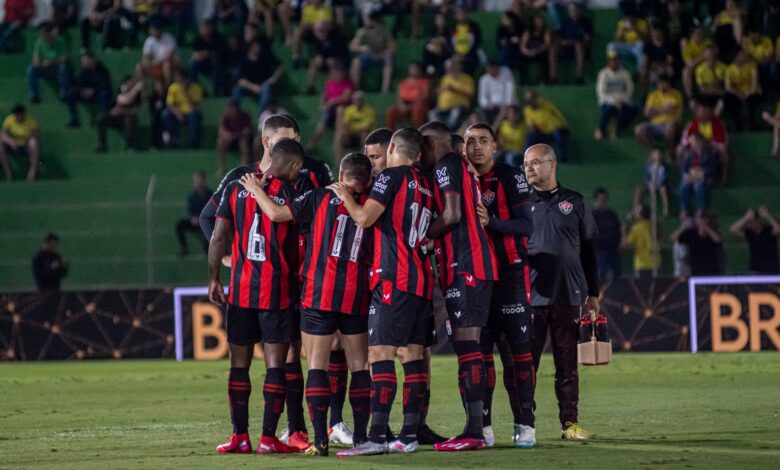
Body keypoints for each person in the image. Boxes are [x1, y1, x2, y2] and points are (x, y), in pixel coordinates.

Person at [240, 153, 374, 456]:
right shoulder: (372, 203)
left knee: (317, 365)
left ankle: (320, 440)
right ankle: (363, 437)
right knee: (358, 366)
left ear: (340, 172)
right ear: (367, 179)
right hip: (356, 294)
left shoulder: (317, 197)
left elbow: (275, 215)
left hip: (319, 294)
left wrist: (256, 190)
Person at [331, 128, 435, 456]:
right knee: (414, 356)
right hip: (420, 279)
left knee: (380, 354)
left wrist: (343, 195)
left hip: (394, 276)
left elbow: (363, 218)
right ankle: (409, 434)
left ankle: (376, 436)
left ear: (392, 148)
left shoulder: (391, 177)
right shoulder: (426, 185)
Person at [209, 138, 304, 455]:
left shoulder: (236, 188)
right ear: (291, 164)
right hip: (276, 291)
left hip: (240, 290)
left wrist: (213, 278)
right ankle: (268, 438)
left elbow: (219, 236)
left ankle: (240, 437)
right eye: (298, 167)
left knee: (239, 364)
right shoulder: (292, 191)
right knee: (276, 363)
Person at [420, 121, 498, 452]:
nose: (421, 152)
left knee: (468, 348)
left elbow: (451, 215)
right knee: (469, 349)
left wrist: (424, 237)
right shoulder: (458, 166)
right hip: (467, 265)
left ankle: (475, 432)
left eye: (424, 145)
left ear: (434, 145)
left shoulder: (447, 164)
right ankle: (474, 429)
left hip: (467, 265)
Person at [465, 123, 537, 448]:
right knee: (480, 356)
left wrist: (489, 222)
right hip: (476, 280)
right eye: (470, 141)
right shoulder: (460, 181)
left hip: (510, 274)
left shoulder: (510, 177)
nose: (476, 147)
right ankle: (484, 427)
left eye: (483, 141)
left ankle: (526, 424)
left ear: (494, 146)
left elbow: (526, 225)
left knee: (519, 354)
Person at [525, 143, 598, 441]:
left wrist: (593, 293)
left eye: (535, 162)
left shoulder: (575, 202)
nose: (529, 168)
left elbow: (589, 250)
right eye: (526, 163)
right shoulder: (519, 203)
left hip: (568, 296)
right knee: (525, 366)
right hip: (530, 298)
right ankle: (524, 426)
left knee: (567, 365)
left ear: (552, 165)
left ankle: (570, 425)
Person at [307, 63, 355, 153]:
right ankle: (311, 145)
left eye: (340, 71)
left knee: (340, 110)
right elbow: (324, 95)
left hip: (345, 110)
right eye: (336, 71)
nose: (339, 74)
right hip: (331, 109)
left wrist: (331, 102)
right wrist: (322, 104)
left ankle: (339, 137)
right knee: (321, 126)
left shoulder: (348, 83)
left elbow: (346, 97)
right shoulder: (329, 83)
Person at [231, 39, 284, 115]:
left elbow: (280, 67)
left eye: (257, 46)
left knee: (266, 86)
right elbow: (240, 81)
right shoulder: (243, 61)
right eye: (254, 47)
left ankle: (262, 115)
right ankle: (235, 113)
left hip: (263, 86)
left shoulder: (264, 58)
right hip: (249, 88)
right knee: (236, 89)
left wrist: (273, 79)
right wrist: (253, 87)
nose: (257, 48)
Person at [595, 52, 636, 141]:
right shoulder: (603, 74)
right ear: (608, 62)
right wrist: (613, 102)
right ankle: (600, 129)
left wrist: (621, 100)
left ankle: (615, 129)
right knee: (608, 109)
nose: (614, 62)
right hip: (608, 100)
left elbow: (630, 89)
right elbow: (601, 92)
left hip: (622, 100)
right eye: (612, 60)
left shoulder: (625, 73)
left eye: (616, 60)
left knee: (632, 109)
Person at [635, 74, 683, 151]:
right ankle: (651, 152)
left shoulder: (676, 94)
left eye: (664, 83)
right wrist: (664, 109)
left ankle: (671, 153)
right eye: (660, 83)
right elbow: (647, 113)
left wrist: (655, 110)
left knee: (670, 127)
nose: (661, 85)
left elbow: (671, 110)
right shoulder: (653, 95)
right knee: (638, 129)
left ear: (669, 84)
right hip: (655, 123)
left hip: (670, 123)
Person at [349, 12, 395, 93]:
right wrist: (362, 48)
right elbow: (352, 46)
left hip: (382, 56)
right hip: (368, 56)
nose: (365, 22)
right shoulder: (362, 31)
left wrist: (382, 53)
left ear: (372, 20)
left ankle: (385, 89)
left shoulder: (384, 31)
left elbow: (392, 47)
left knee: (388, 60)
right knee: (355, 62)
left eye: (366, 20)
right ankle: (355, 89)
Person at [97, 75, 143, 152]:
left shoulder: (137, 96)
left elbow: (134, 111)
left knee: (129, 121)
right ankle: (102, 145)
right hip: (116, 118)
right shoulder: (119, 91)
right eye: (127, 83)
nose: (129, 85)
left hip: (128, 118)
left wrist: (122, 111)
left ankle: (130, 146)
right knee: (101, 119)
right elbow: (122, 100)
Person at [27, 22, 70, 104]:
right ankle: (34, 94)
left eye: (45, 34)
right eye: (42, 34)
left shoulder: (60, 41)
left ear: (50, 33)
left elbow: (64, 58)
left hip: (56, 68)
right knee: (31, 69)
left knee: (63, 68)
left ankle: (64, 93)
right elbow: (35, 61)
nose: (43, 36)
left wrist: (52, 62)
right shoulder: (38, 43)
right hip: (44, 68)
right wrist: (43, 63)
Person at [66, 50, 112, 128]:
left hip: (97, 94)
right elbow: (78, 84)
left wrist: (93, 91)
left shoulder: (102, 70)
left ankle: (104, 118)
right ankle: (74, 119)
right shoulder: (83, 71)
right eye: (83, 61)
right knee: (71, 93)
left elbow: (105, 85)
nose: (84, 62)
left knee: (104, 94)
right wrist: (83, 91)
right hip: (85, 94)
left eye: (86, 60)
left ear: (92, 59)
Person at [729, 206, 780, 274]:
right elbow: (733, 230)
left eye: (753, 221)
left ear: (759, 221)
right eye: (750, 222)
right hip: (755, 270)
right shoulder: (749, 233)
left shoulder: (769, 229)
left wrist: (767, 216)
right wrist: (746, 218)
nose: (750, 224)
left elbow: (778, 230)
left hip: (772, 269)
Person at [428, 57, 475, 131]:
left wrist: (454, 90)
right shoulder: (445, 78)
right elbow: (440, 92)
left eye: (451, 67)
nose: (448, 69)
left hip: (460, 107)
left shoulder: (466, 78)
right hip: (443, 107)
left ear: (458, 66)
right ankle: (439, 131)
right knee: (432, 113)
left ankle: (448, 132)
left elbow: (470, 95)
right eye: (447, 67)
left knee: (455, 113)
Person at [523, 90, 569, 162]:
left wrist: (562, 125)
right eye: (528, 100)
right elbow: (530, 126)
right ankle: (528, 159)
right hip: (542, 133)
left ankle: (564, 158)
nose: (531, 101)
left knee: (559, 134)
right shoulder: (527, 110)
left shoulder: (546, 104)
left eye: (532, 98)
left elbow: (559, 116)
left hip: (555, 131)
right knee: (531, 136)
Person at [305, 20, 349, 94]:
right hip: (327, 61)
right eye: (316, 32)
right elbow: (321, 53)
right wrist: (319, 57)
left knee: (331, 62)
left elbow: (340, 52)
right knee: (314, 62)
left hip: (341, 60)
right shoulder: (318, 41)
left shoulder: (335, 37)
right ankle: (311, 86)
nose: (317, 34)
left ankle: (331, 88)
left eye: (319, 31)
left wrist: (333, 59)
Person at [679, 133, 718, 217]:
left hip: (705, 178)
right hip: (691, 177)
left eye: (692, 141)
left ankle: (701, 209)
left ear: (699, 142)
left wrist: (700, 174)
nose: (691, 143)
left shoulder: (710, 153)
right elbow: (683, 169)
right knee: (683, 185)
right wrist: (687, 176)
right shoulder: (688, 154)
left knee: (698, 186)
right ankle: (684, 209)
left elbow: (712, 169)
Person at [176, 171, 212, 256]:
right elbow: (190, 209)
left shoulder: (210, 194)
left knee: (210, 226)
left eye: (200, 180)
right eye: (197, 180)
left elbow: (211, 210)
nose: (199, 183)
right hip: (195, 221)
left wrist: (201, 218)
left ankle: (207, 250)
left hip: (206, 221)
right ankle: (184, 248)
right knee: (179, 224)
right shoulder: (191, 195)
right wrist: (192, 217)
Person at [162, 73, 203, 149]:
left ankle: (194, 142)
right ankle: (174, 140)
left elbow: (196, 106)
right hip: (177, 113)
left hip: (191, 113)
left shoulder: (196, 88)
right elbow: (170, 105)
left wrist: (185, 93)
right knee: (165, 114)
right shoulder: (173, 88)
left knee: (193, 115)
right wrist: (177, 113)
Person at [386, 62, 430, 130]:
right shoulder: (403, 82)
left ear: (420, 70)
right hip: (404, 105)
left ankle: (418, 133)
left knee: (418, 109)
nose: (413, 70)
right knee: (391, 111)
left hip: (418, 105)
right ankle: (392, 134)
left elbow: (425, 97)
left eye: (415, 69)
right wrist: (402, 106)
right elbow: (399, 97)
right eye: (412, 69)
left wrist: (410, 106)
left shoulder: (425, 82)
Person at [0, 104, 40, 181]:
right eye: (16, 114)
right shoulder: (9, 120)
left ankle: (32, 171)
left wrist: (26, 140)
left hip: (26, 146)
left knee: (33, 142)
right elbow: (2, 135)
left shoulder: (31, 122)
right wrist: (10, 141)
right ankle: (8, 172)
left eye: (20, 114)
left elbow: (36, 137)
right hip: (12, 146)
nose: (18, 116)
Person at [724, 48, 760, 131]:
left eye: (744, 55)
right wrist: (739, 94)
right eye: (741, 55)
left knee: (750, 101)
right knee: (728, 99)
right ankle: (735, 125)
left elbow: (754, 86)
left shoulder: (752, 66)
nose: (744, 56)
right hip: (738, 94)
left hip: (751, 93)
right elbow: (728, 87)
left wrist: (747, 94)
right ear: (736, 57)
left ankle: (751, 127)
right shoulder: (730, 69)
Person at [592, 187, 622, 283]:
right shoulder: (591, 215)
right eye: (600, 199)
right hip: (599, 250)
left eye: (604, 199)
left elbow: (618, 229)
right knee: (600, 274)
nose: (602, 201)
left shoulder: (611, 214)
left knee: (616, 274)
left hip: (613, 249)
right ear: (596, 200)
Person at [291, 0, 333, 67]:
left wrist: (314, 26)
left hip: (323, 33)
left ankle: (322, 56)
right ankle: (296, 57)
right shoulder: (307, 8)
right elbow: (304, 24)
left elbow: (327, 25)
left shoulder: (326, 9)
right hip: (310, 32)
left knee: (318, 29)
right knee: (298, 31)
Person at [558, 3, 593, 83]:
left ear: (579, 11)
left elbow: (587, 39)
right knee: (553, 48)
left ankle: (579, 77)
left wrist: (576, 42)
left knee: (578, 45)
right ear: (569, 12)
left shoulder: (586, 23)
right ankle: (552, 78)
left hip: (583, 48)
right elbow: (561, 40)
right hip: (567, 48)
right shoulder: (565, 23)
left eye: (575, 10)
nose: (574, 12)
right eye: (571, 11)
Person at [622, 204, 659, 279]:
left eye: (636, 212)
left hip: (643, 263)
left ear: (640, 215)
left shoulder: (637, 228)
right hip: (656, 262)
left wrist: (623, 232)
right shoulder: (655, 225)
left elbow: (625, 243)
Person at [216, 100, 252, 175]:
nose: (229, 110)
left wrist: (237, 135)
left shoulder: (245, 116)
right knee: (220, 142)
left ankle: (243, 167)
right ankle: (222, 167)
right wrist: (228, 135)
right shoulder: (225, 116)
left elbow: (247, 131)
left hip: (241, 138)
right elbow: (221, 131)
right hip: (230, 139)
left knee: (244, 143)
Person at [189, 21, 225, 96]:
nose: (203, 30)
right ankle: (196, 88)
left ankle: (216, 90)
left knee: (216, 61)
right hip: (202, 63)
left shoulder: (217, 38)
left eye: (205, 28)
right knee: (192, 64)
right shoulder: (198, 39)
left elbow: (216, 53)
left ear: (210, 28)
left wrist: (205, 54)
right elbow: (194, 54)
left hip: (215, 64)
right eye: (202, 28)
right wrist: (204, 54)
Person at [336, 91, 376, 158]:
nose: (359, 101)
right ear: (353, 100)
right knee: (340, 136)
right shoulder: (349, 110)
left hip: (363, 134)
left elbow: (367, 127)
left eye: (360, 99)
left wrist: (353, 128)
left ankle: (363, 159)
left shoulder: (370, 111)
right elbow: (345, 125)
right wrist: (350, 131)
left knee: (364, 134)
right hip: (351, 134)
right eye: (357, 99)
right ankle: (339, 161)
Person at [139, 17, 177, 84]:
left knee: (166, 65)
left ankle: (168, 88)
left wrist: (155, 62)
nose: (151, 31)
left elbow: (169, 55)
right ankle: (144, 90)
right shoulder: (149, 40)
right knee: (139, 67)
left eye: (153, 29)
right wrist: (147, 63)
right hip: (155, 65)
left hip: (168, 64)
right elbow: (145, 56)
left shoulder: (169, 38)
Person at [478, 59, 516, 125]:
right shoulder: (484, 79)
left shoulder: (506, 72)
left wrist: (507, 104)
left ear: (497, 68)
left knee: (507, 112)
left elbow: (510, 90)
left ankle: (494, 131)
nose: (490, 73)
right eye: (488, 71)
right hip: (492, 106)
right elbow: (482, 97)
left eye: (492, 70)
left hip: (506, 105)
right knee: (480, 113)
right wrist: (487, 104)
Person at [520, 14, 555, 84]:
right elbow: (522, 45)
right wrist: (527, 52)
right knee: (521, 58)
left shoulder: (546, 30)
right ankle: (524, 79)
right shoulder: (528, 31)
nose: (539, 22)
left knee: (544, 57)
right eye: (537, 21)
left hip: (540, 51)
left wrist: (537, 50)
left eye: (540, 20)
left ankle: (544, 79)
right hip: (529, 52)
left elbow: (547, 43)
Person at [634, 148, 670, 217]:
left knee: (663, 189)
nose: (657, 156)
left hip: (660, 184)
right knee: (639, 188)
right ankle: (635, 208)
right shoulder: (649, 166)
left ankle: (665, 208)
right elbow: (646, 177)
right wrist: (650, 184)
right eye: (656, 154)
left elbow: (665, 177)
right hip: (650, 184)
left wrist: (659, 183)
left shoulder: (664, 167)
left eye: (659, 154)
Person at [450, 6, 483, 75]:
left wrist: (466, 54)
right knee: (449, 63)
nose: (462, 15)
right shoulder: (452, 28)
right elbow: (449, 44)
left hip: (470, 54)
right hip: (456, 54)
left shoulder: (474, 27)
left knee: (469, 62)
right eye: (459, 14)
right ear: (456, 16)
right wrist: (456, 54)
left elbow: (477, 43)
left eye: (463, 13)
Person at [681, 24, 712, 99]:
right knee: (685, 71)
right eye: (698, 33)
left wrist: (703, 58)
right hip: (695, 66)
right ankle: (690, 97)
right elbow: (689, 64)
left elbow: (711, 57)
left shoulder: (708, 42)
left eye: (701, 33)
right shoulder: (688, 45)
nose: (700, 35)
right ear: (692, 35)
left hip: (707, 65)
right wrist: (703, 57)